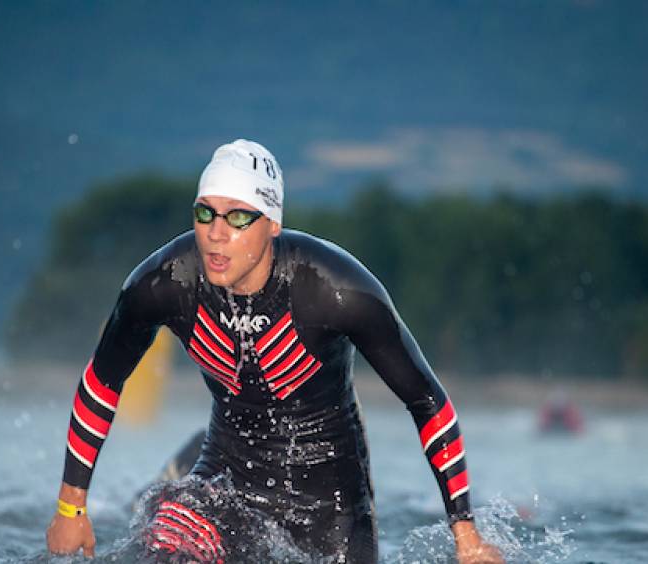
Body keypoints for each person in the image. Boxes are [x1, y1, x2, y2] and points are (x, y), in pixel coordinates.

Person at [45, 139, 503, 563]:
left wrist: (466, 536)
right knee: (170, 542)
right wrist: (71, 508)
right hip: (225, 481)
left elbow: (427, 402)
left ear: (273, 223)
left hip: (332, 504)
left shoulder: (334, 288)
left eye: (238, 217)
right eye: (205, 214)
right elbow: (102, 382)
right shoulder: (165, 282)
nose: (216, 234)